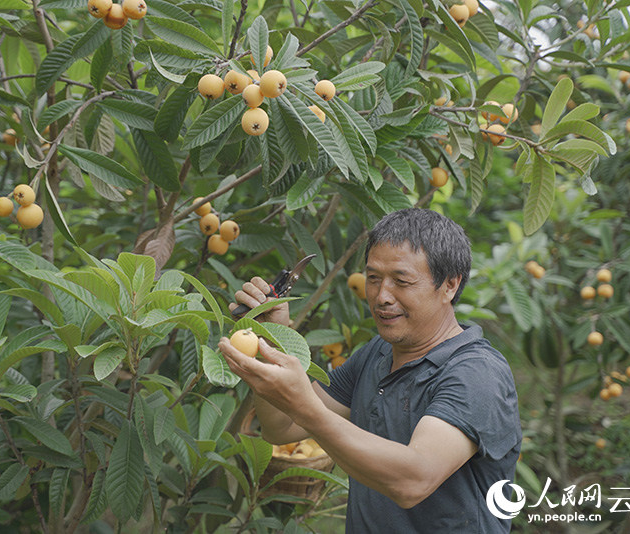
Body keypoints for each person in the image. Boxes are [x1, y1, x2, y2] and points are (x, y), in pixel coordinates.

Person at [219, 208, 522, 533]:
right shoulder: (377, 354)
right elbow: (281, 427)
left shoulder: (476, 373)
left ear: (449, 285)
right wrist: (271, 340)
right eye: (373, 278)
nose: (381, 296)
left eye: (402, 281)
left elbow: (413, 480)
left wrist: (305, 406)